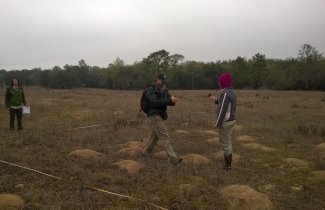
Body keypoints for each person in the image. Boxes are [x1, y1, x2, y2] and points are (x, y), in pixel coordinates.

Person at [142, 73, 183, 165]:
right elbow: (154, 102)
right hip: (153, 114)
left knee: (154, 136)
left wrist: (173, 101)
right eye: (161, 79)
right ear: (157, 80)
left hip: (160, 115)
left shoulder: (164, 89)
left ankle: (145, 153)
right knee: (164, 135)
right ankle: (173, 158)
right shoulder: (151, 89)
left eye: (164, 80)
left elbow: (168, 101)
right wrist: (169, 100)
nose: (163, 81)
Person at [209, 72, 236, 170]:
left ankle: (227, 166)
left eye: (220, 82)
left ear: (223, 82)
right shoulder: (231, 92)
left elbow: (223, 110)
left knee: (225, 143)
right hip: (232, 120)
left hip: (225, 121)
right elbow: (226, 105)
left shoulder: (225, 93)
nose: (218, 84)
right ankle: (228, 164)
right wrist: (215, 100)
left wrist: (217, 123)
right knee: (228, 142)